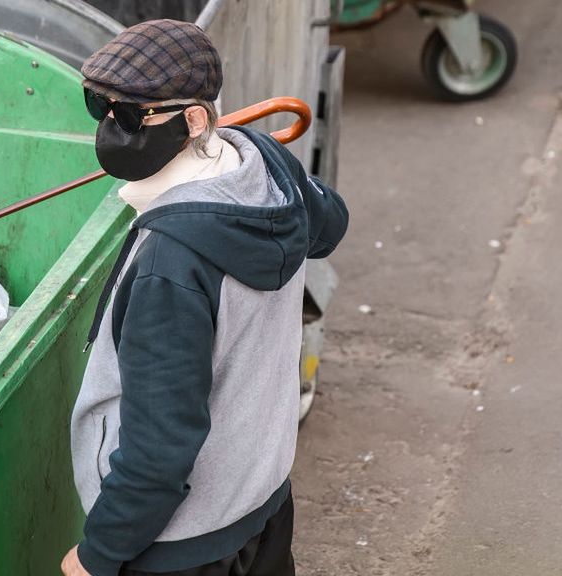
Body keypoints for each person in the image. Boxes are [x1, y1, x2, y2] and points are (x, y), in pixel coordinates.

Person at [61, 19, 349, 576]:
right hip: (261, 493)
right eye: (101, 108)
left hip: (179, 546)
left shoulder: (169, 265)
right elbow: (329, 226)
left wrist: (97, 555)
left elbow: (158, 453)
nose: (109, 127)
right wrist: (277, 171)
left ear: (193, 118)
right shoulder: (263, 163)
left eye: (127, 116)